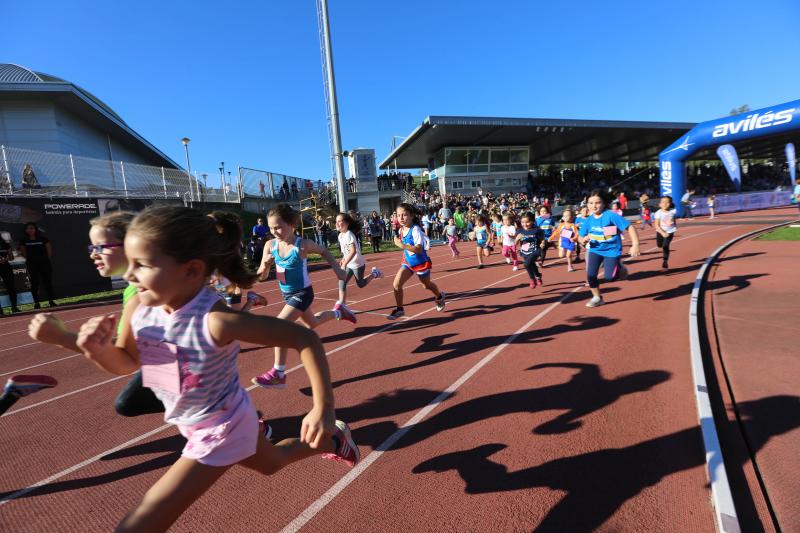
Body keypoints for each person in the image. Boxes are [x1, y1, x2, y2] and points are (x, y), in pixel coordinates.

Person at [74, 206, 359, 531]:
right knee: (273, 463)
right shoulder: (141, 306)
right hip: (199, 420)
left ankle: (329, 429)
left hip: (219, 430)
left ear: (192, 270)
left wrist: (322, 407)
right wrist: (97, 351)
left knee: (138, 525)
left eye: (142, 265)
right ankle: (334, 440)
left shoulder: (215, 320)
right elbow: (126, 362)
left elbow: (305, 338)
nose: (128, 275)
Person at [28, 211, 166, 418]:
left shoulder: (142, 295)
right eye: (92, 247)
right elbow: (125, 347)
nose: (93, 254)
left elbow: (127, 361)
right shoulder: (137, 289)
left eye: (101, 247)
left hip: (192, 380)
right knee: (129, 402)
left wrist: (61, 337)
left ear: (132, 245)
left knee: (128, 403)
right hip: (184, 372)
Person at [252, 204, 350, 389]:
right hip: (287, 295)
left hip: (303, 293)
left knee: (279, 325)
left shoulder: (302, 245)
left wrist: (337, 269)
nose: (275, 232)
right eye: (271, 228)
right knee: (312, 323)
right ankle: (339, 313)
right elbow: (261, 277)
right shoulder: (270, 245)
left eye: (278, 227)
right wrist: (265, 266)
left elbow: (324, 251)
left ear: (291, 224)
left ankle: (278, 373)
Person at [578, 190, 640, 308]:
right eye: (590, 203)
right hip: (595, 250)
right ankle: (597, 297)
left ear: (604, 203)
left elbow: (630, 227)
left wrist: (635, 244)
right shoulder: (588, 220)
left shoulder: (611, 215)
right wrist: (583, 240)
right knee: (590, 275)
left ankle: (620, 266)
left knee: (609, 278)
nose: (594, 206)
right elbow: (580, 237)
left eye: (597, 202)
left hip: (612, 250)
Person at [388, 203, 446, 320]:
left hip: (420, 263)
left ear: (412, 215)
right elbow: (403, 244)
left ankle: (439, 296)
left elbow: (419, 249)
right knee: (396, 284)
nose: (401, 218)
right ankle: (400, 309)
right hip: (408, 262)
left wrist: (402, 245)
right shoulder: (401, 229)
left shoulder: (415, 230)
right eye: (399, 215)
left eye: (404, 215)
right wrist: (398, 242)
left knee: (426, 285)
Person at [335, 212, 383, 307]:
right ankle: (342, 305)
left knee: (360, 284)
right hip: (349, 264)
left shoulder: (349, 234)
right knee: (342, 282)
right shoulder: (340, 236)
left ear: (347, 223)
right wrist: (343, 259)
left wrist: (344, 263)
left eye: (340, 221)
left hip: (357, 264)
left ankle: (375, 274)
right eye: (336, 221)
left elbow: (353, 251)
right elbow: (346, 251)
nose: (337, 223)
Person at [19, 222, 56, 309]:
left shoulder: (43, 239)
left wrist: (44, 259)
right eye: (28, 228)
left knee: (47, 282)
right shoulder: (23, 240)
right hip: (32, 264)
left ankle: (51, 301)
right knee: (34, 283)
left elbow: (49, 251)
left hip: (44, 263)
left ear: (35, 229)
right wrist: (32, 260)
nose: (30, 230)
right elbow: (24, 254)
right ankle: (37, 303)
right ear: (25, 230)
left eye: (32, 228)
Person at [515, 212, 544, 288]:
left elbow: (543, 240)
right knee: (531, 264)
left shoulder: (537, 230)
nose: (525, 224)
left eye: (527, 222)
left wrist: (543, 243)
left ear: (532, 221)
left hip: (535, 250)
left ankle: (532, 279)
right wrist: (517, 239)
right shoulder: (519, 231)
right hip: (525, 251)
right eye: (523, 222)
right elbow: (515, 243)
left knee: (526, 264)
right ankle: (538, 276)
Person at [654, 195, 678, 270]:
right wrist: (662, 233)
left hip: (670, 232)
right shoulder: (658, 213)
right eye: (663, 202)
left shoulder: (673, 211)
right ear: (660, 204)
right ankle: (661, 245)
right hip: (660, 231)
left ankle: (665, 261)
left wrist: (674, 226)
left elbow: (673, 219)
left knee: (665, 246)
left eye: (667, 202)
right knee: (659, 245)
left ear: (670, 204)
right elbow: (656, 225)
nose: (665, 204)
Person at [0, 236, 20, 314]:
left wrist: (6, 258)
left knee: (11, 287)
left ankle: (14, 307)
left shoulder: (5, 244)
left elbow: (11, 257)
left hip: (6, 267)